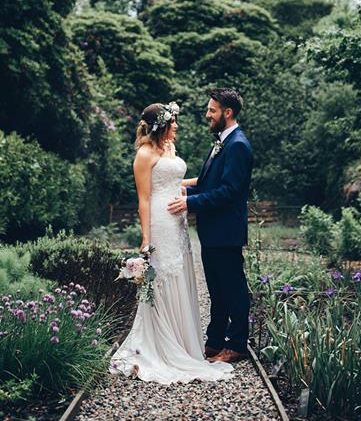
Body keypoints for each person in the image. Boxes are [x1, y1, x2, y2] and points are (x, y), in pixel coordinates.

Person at [108, 101, 235, 384]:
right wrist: (145, 238)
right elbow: (144, 198)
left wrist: (202, 187)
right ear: (161, 125)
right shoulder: (144, 154)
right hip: (160, 223)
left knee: (180, 273)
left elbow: (174, 182)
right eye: (173, 122)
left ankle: (182, 341)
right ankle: (160, 345)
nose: (177, 126)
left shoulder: (169, 148)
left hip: (178, 221)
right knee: (163, 276)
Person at [167, 88, 253, 364]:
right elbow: (208, 184)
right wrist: (181, 190)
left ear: (227, 113)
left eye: (212, 110)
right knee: (216, 289)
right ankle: (215, 341)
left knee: (233, 288)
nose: (207, 115)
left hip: (226, 231)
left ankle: (237, 344)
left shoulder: (238, 145)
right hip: (213, 230)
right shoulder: (222, 143)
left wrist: (189, 204)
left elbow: (230, 192)